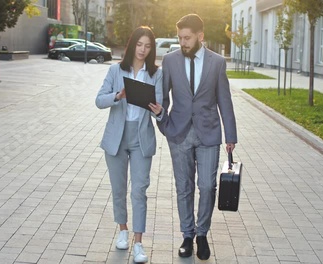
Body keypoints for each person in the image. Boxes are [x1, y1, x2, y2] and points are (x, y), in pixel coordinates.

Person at [157, 14, 237, 260]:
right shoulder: (170, 61)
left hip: (208, 133)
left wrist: (230, 135)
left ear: (200, 36)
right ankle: (187, 236)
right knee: (184, 188)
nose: (183, 42)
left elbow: (224, 99)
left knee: (206, 186)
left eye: (187, 38)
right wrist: (164, 122)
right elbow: (163, 96)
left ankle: (202, 234)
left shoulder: (216, 62)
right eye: (180, 38)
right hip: (179, 133)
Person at [95, 26, 163, 263]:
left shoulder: (156, 74)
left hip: (141, 138)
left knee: (139, 190)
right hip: (117, 137)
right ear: (132, 45)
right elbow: (99, 100)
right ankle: (122, 230)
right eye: (140, 44)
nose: (143, 50)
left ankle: (138, 244)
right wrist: (118, 96)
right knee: (119, 189)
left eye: (148, 46)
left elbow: (161, 108)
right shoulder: (116, 71)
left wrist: (159, 110)